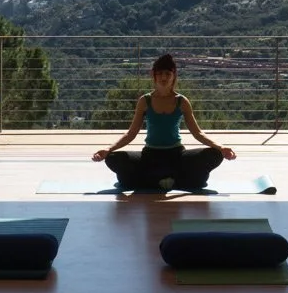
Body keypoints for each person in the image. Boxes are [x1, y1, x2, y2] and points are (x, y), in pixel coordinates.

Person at [92, 53, 236, 192]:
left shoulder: (182, 101)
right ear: (153, 75)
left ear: (174, 76)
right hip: (150, 156)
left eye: (168, 73)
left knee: (214, 155)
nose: (164, 77)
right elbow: (131, 134)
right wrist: (108, 150)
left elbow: (197, 133)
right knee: (113, 159)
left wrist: (221, 148)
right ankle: (172, 180)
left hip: (176, 155)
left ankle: (155, 181)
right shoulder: (145, 101)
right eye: (160, 73)